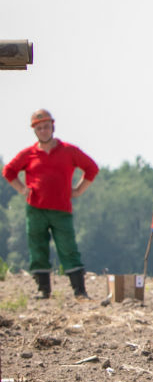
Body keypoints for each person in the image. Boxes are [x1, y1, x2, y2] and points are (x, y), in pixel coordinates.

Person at [4, 109, 99, 300]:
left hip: (61, 209)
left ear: (52, 127)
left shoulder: (68, 151)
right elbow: (9, 171)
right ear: (34, 131)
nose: (43, 131)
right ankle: (43, 290)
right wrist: (22, 189)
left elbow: (91, 168)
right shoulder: (28, 154)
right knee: (37, 247)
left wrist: (78, 190)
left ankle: (79, 291)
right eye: (39, 128)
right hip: (35, 209)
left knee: (68, 248)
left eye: (46, 127)